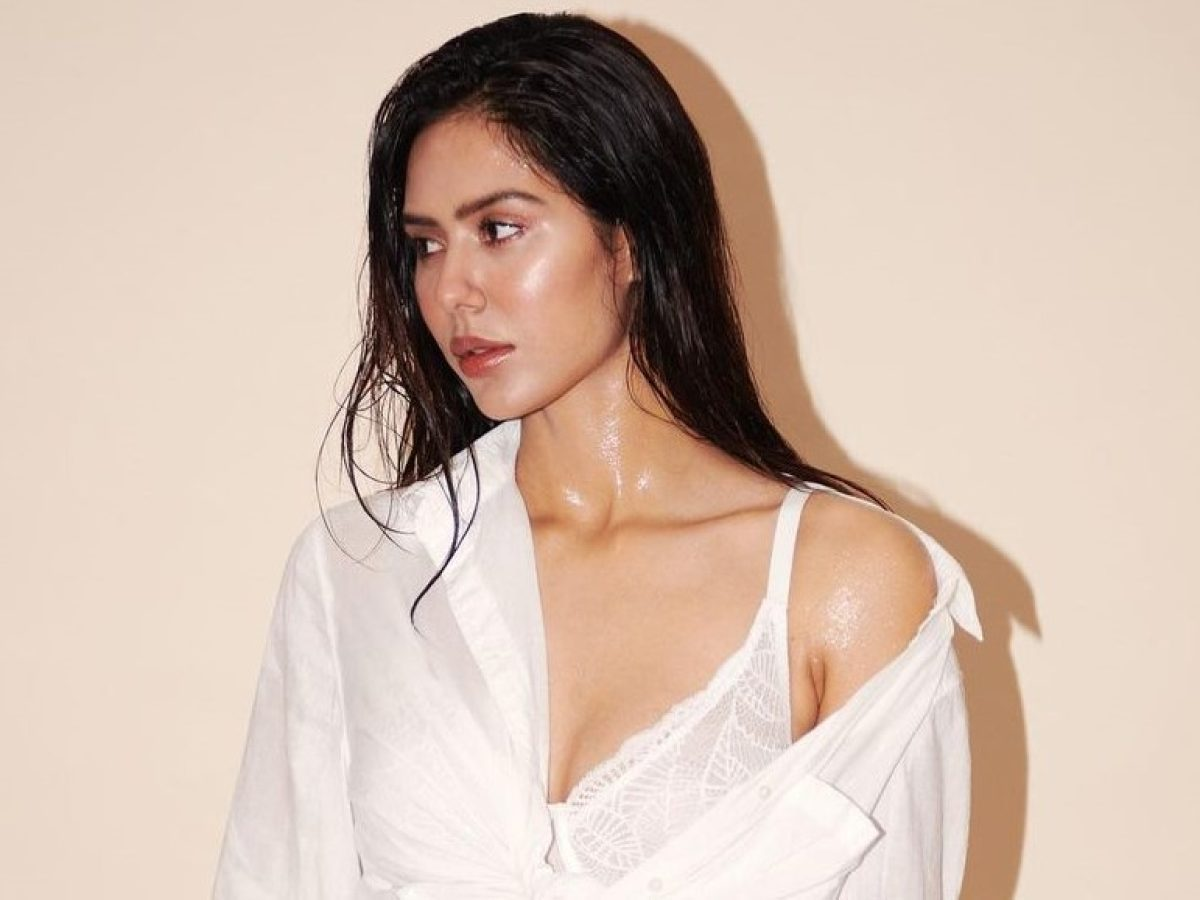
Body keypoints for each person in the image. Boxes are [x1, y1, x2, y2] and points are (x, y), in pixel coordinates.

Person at [213, 12, 982, 899]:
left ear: (632, 241)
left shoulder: (843, 582)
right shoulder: (358, 570)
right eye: (425, 245)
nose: (451, 289)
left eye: (499, 229)